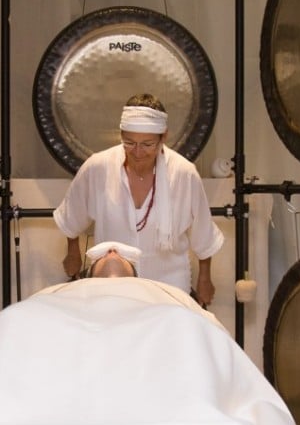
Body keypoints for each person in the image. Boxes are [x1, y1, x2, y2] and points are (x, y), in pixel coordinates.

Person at [54, 94, 224, 306]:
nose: (137, 152)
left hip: (169, 285)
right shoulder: (97, 167)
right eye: (129, 142)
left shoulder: (183, 173)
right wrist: (72, 252)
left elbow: (202, 232)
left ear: (163, 138)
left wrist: (205, 278)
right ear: (121, 135)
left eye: (147, 144)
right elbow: (72, 215)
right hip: (113, 284)